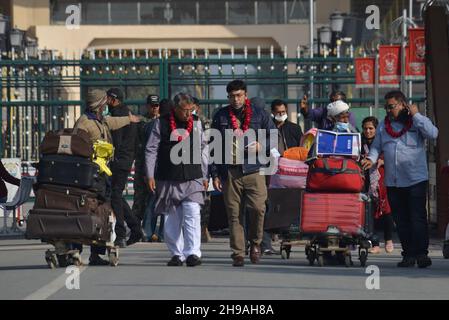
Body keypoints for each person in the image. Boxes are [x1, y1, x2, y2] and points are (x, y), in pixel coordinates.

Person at [362, 90, 438, 268]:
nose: (388, 110)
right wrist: (371, 160)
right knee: (402, 220)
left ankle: (421, 254)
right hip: (394, 182)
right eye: (386, 107)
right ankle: (408, 255)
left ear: (403, 104)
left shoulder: (415, 122)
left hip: (415, 179)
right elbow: (376, 147)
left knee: (417, 218)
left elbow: (433, 134)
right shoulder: (383, 126)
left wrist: (417, 115)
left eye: (392, 107)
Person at [210, 80, 276, 267]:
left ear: (245, 95)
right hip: (230, 171)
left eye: (239, 95)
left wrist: (262, 146)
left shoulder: (259, 114)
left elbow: (273, 135)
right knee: (234, 214)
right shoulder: (221, 115)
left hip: (254, 169)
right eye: (232, 96)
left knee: (258, 208)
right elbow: (214, 146)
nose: (236, 99)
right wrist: (214, 173)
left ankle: (255, 243)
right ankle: (238, 253)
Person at [74, 89, 140, 265]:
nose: (105, 105)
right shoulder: (84, 123)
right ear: (98, 104)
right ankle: (75, 249)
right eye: (103, 102)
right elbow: (77, 146)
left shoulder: (99, 120)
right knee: (84, 210)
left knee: (101, 211)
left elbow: (112, 122)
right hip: (89, 173)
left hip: (101, 173)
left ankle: (96, 253)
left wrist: (129, 119)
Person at [145, 93, 209, 267]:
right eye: (185, 110)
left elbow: (204, 149)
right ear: (175, 108)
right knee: (172, 217)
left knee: (192, 212)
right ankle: (176, 254)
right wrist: (150, 175)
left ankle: (193, 253)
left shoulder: (197, 123)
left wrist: (205, 175)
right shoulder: (161, 123)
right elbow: (151, 150)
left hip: (193, 176)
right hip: (168, 176)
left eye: (191, 110)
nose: (189, 114)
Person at [106, 88, 143, 248]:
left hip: (118, 160)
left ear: (113, 99)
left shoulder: (118, 115)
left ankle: (121, 233)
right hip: (126, 159)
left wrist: (114, 158)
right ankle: (135, 228)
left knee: (114, 195)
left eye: (108, 98)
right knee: (116, 194)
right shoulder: (128, 113)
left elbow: (117, 140)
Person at [141, 98, 174, 242]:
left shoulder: (150, 125)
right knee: (166, 202)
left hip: (153, 168)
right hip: (167, 168)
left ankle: (147, 231)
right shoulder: (171, 125)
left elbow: (146, 148)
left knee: (153, 201)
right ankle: (162, 233)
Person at [361, 116, 395, 254]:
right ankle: (375, 244)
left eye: (371, 128)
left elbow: (390, 157)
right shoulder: (360, 144)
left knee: (387, 212)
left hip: (382, 182)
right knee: (369, 214)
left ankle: (388, 239)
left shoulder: (382, 143)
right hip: (366, 182)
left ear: (376, 129)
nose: (368, 131)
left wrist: (381, 161)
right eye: (365, 128)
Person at [132, 94, 161, 226]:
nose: (154, 108)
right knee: (139, 196)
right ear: (147, 106)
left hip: (157, 164)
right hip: (142, 162)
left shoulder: (162, 121)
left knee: (154, 196)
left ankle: (149, 227)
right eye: (152, 106)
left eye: (156, 105)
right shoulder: (141, 121)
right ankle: (135, 224)